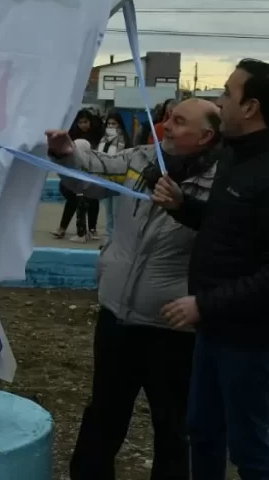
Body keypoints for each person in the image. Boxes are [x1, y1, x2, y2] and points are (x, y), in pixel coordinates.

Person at [48, 98, 222, 480]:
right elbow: (91, 178)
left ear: (206, 135)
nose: (167, 126)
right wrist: (65, 154)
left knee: (173, 428)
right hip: (117, 316)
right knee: (103, 416)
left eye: (178, 121)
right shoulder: (143, 159)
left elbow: (227, 238)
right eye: (166, 118)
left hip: (174, 329)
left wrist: (184, 205)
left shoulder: (223, 182)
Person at [154, 59, 269, 480]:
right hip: (214, 331)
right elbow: (226, 228)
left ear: (252, 106)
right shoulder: (235, 157)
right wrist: (184, 207)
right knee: (203, 432)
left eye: (227, 94)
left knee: (251, 451)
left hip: (249, 340)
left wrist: (204, 304)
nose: (220, 103)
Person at [52, 109, 101, 240]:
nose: (83, 125)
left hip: (92, 172)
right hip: (74, 173)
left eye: (86, 122)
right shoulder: (72, 135)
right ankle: (63, 228)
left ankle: (92, 229)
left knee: (92, 201)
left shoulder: (97, 135)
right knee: (73, 200)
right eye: (80, 122)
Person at [97, 112, 131, 244]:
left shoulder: (125, 142)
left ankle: (117, 240)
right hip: (105, 180)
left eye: (114, 123)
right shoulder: (103, 140)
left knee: (117, 212)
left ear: (120, 125)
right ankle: (109, 239)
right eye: (109, 123)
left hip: (119, 181)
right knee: (108, 213)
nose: (110, 126)